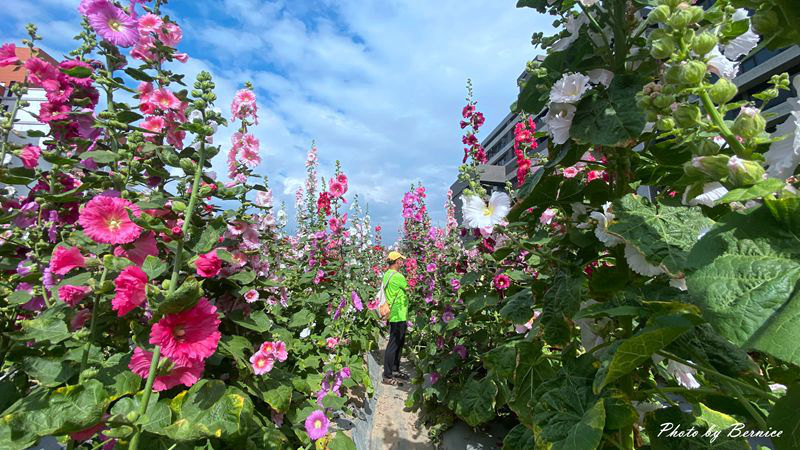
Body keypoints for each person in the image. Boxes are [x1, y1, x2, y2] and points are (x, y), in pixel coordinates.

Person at [382, 250, 410, 385]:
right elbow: (409, 288)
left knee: (398, 342)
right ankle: (387, 375)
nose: (402, 262)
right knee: (394, 344)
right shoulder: (398, 276)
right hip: (398, 313)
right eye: (401, 260)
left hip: (393, 313)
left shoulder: (387, 274)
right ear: (396, 261)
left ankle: (395, 369)